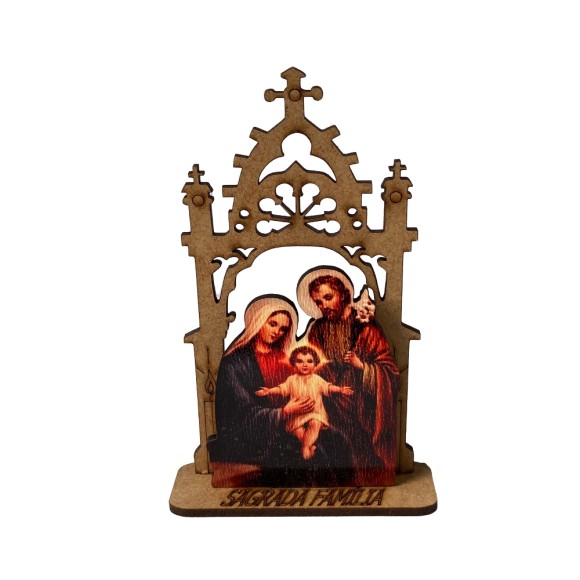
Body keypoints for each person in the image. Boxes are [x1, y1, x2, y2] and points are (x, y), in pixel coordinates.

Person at [208, 295, 352, 487]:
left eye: (283, 328)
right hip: (258, 435)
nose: (277, 332)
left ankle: (341, 495)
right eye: (272, 324)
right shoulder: (235, 363)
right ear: (258, 321)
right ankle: (314, 497)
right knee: (313, 454)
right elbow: (240, 413)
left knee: (338, 440)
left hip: (293, 422)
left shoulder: (286, 358)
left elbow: (303, 385)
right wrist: (284, 412)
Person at [297, 268, 400, 486]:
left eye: (328, 297)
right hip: (329, 400)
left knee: (362, 453)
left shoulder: (365, 327)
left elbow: (389, 371)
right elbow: (312, 363)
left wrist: (361, 366)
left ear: (343, 295)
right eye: (318, 302)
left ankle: (367, 482)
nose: (324, 306)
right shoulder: (318, 329)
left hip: (362, 404)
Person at [256, 346, 353, 460]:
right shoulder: (292, 380)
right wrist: (269, 391)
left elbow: (328, 387)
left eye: (309, 361)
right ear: (294, 364)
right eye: (300, 361)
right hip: (297, 415)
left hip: (315, 413)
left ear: (315, 363)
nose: (305, 365)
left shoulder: (317, 379)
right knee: (297, 430)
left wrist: (340, 390)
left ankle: (305, 448)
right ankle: (308, 447)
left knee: (315, 424)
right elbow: (282, 389)